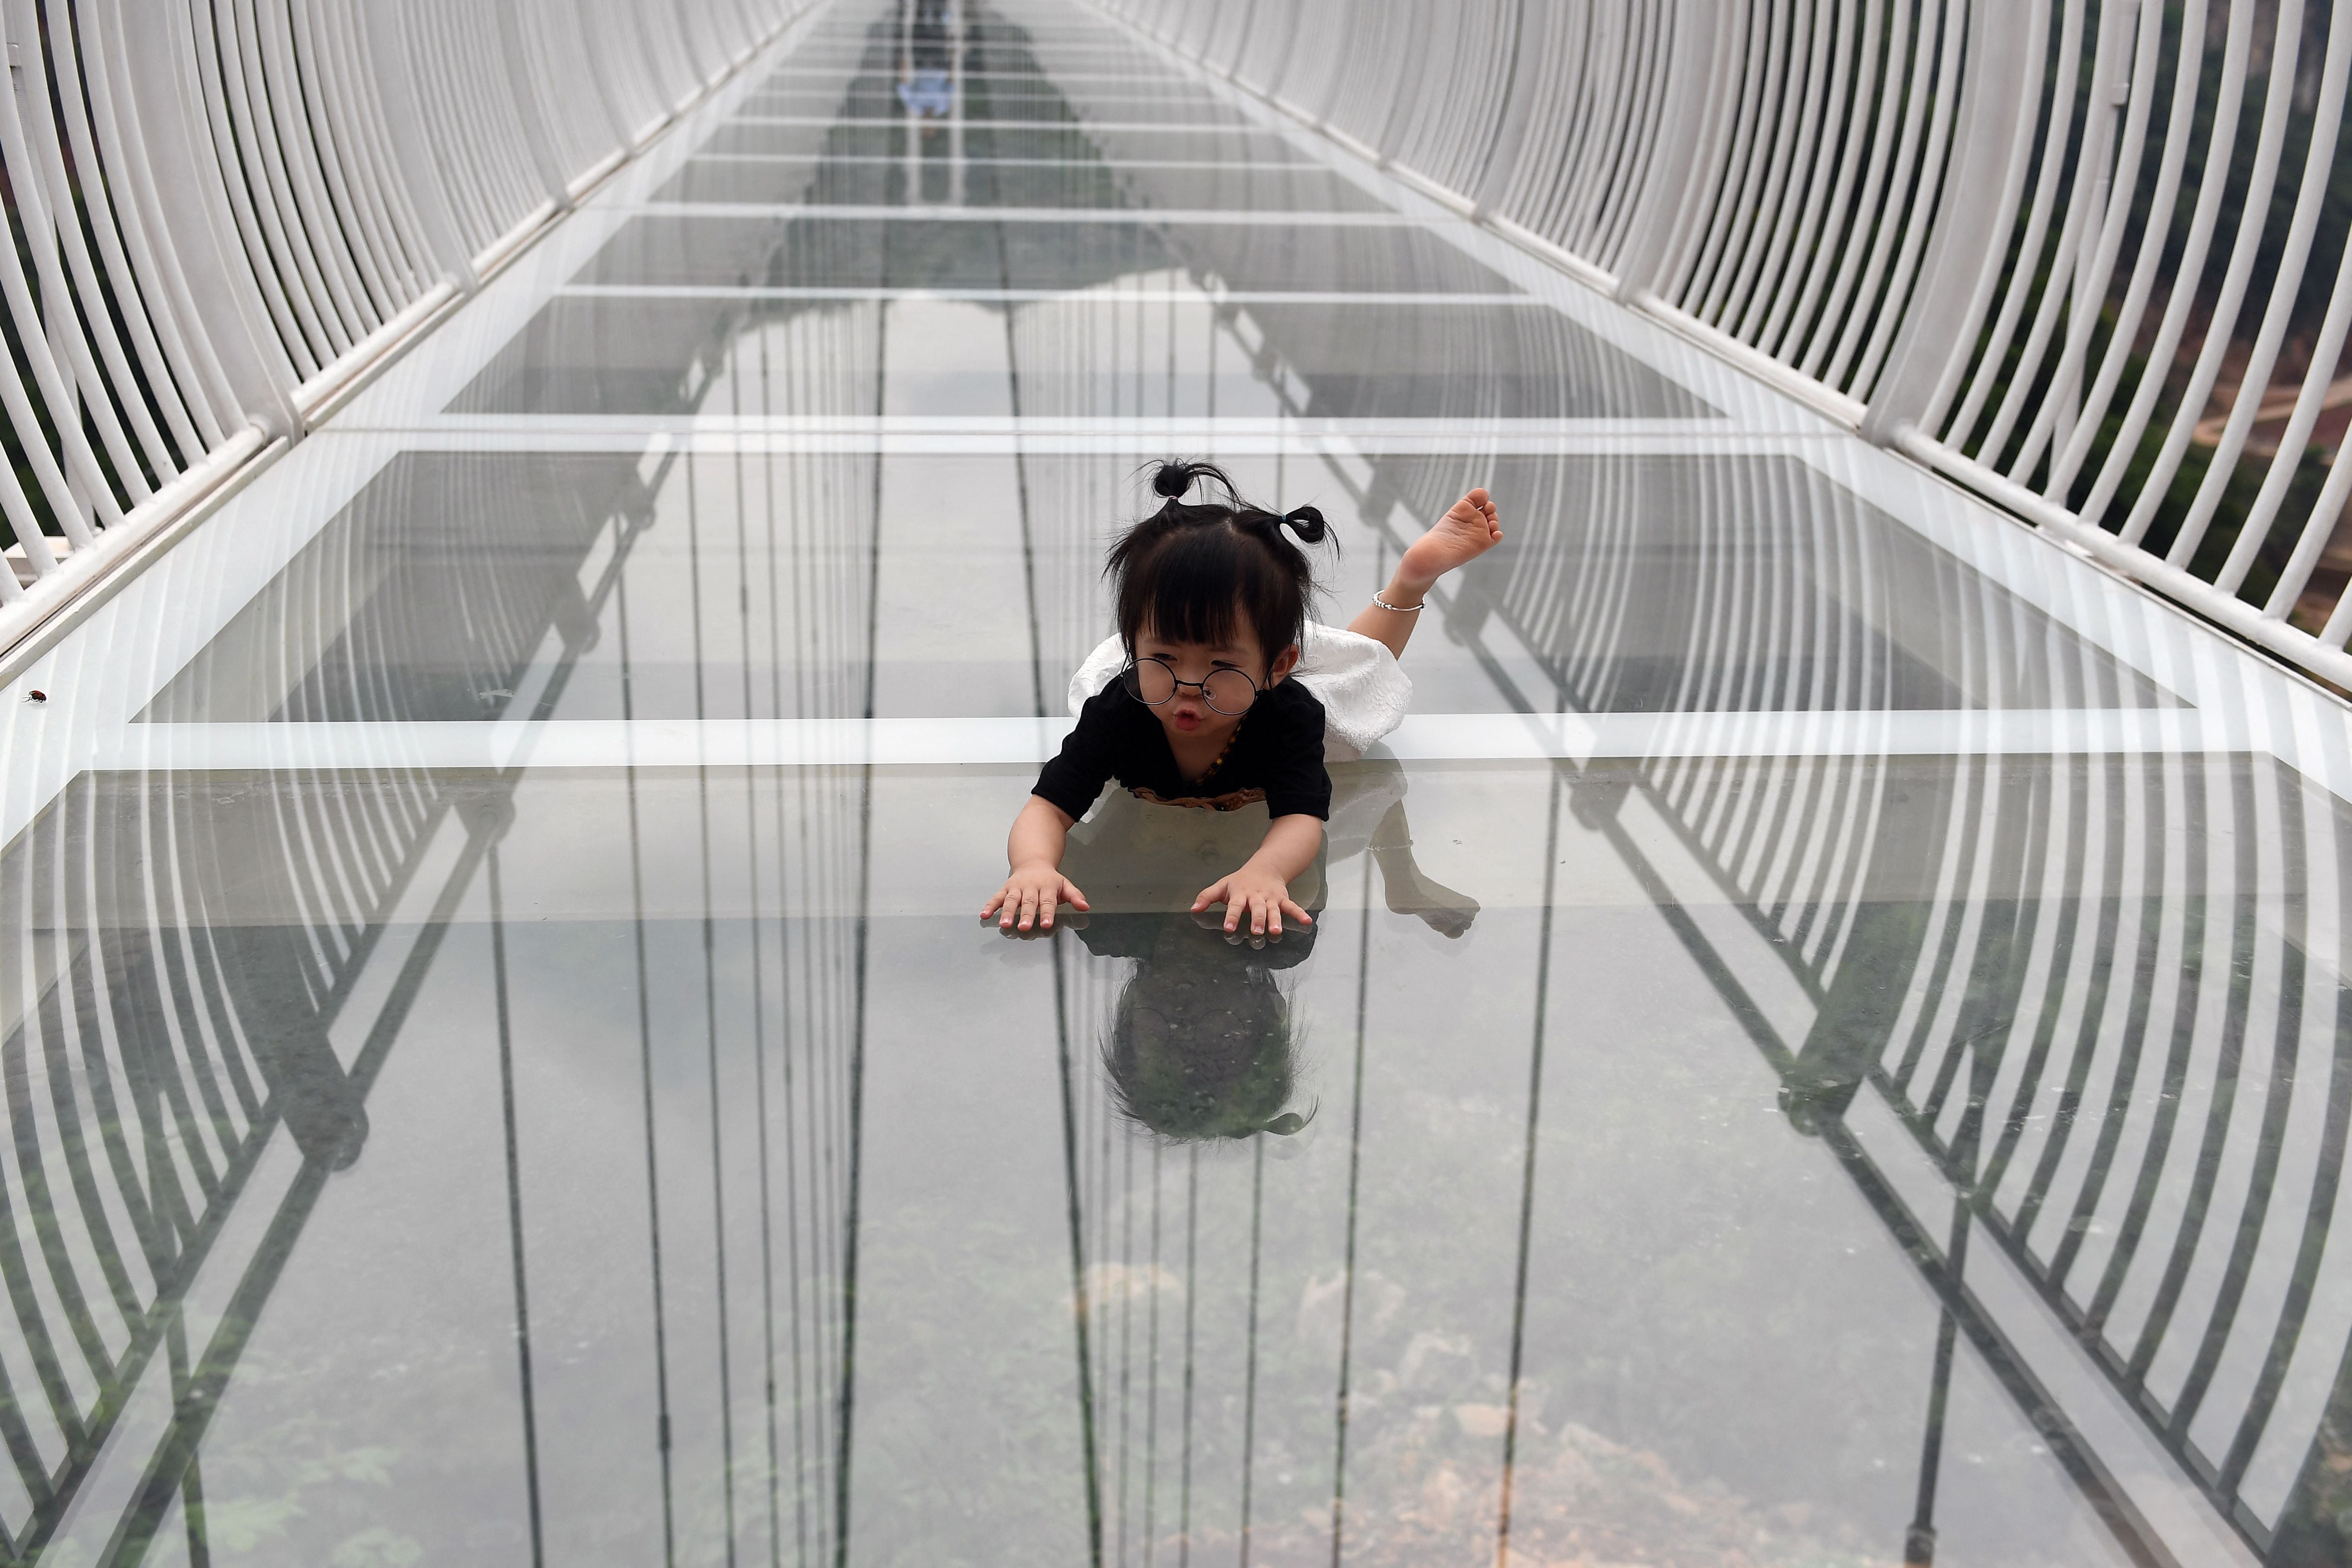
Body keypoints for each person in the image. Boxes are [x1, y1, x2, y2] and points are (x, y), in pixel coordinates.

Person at [982, 459, 1502, 938]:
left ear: (1278, 666)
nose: (1188, 684)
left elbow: (1301, 818)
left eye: (1218, 664)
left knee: (1357, 683)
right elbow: (1047, 808)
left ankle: (1408, 584)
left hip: (1259, 709)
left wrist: (1267, 869)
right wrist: (1033, 866)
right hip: (1204, 690)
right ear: (1132, 643)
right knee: (1196, 662)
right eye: (1165, 656)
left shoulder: (1290, 715)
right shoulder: (1122, 708)